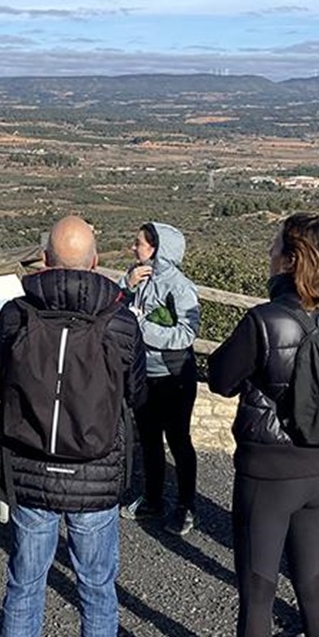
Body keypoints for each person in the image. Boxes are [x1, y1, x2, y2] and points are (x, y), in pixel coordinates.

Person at [0, 215, 147, 637]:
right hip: (94, 471)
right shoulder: (120, 322)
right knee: (97, 591)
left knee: (24, 587)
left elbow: (1, 385)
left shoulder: (15, 315)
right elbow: (136, 393)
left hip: (30, 466)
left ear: (44, 260)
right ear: (95, 262)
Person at [208, 214, 319, 637]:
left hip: (268, 474)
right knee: (313, 588)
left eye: (276, 248)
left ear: (291, 261)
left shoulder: (265, 320)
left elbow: (220, 379)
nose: (269, 254)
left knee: (258, 593)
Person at [119, 222, 201, 536]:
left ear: (156, 249)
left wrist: (142, 329)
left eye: (138, 243)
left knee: (179, 441)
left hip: (174, 376)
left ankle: (187, 506)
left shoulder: (180, 287)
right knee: (149, 440)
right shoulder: (137, 277)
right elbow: (114, 304)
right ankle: (153, 499)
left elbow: (187, 333)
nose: (133, 248)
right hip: (144, 374)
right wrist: (126, 284)